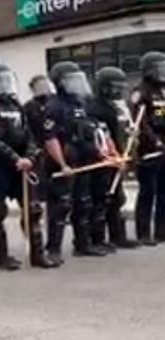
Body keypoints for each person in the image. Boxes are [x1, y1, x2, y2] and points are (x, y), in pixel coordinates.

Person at [0, 64, 59, 270]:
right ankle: (2, 256)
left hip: (20, 166)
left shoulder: (15, 104)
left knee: (33, 209)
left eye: (6, 79)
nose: (5, 84)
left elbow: (28, 134)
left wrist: (29, 156)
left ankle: (38, 254)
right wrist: (13, 158)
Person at [42, 61, 118, 260]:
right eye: (73, 80)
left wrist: (108, 153)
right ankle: (53, 249)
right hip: (64, 164)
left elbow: (97, 132)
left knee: (84, 203)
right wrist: (62, 164)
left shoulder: (84, 105)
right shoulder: (55, 106)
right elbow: (51, 138)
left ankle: (84, 244)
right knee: (61, 206)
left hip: (85, 161)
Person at [87, 66, 138, 250]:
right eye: (114, 87)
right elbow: (102, 136)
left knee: (118, 199)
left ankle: (118, 236)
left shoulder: (118, 106)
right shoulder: (94, 108)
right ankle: (98, 238)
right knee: (103, 199)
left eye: (120, 87)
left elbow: (143, 118)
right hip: (105, 158)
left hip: (122, 154)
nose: (118, 91)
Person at [131, 51, 165, 245]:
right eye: (158, 67)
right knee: (148, 191)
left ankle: (161, 230)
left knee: (163, 191)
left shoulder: (162, 91)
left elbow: (161, 113)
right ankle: (143, 233)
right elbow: (140, 121)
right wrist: (155, 141)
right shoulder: (141, 92)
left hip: (163, 144)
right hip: (148, 148)